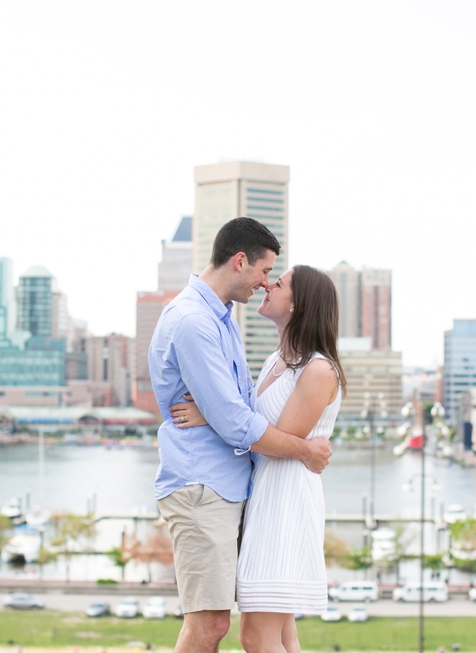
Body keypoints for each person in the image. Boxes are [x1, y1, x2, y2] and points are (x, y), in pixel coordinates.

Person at [150, 218, 333, 653]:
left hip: (229, 487)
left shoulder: (220, 317)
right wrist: (306, 449)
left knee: (258, 625)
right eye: (265, 271)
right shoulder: (195, 321)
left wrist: (214, 412)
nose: (265, 283)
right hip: (202, 487)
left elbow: (234, 407)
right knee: (210, 624)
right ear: (240, 261)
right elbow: (235, 420)